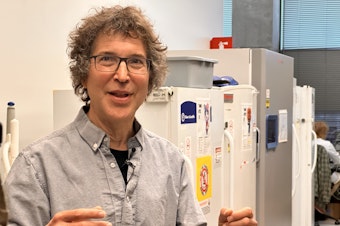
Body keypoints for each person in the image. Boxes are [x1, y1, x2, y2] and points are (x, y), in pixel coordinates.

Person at [4, 5, 257, 226]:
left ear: (150, 79)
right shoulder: (36, 167)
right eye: (106, 59)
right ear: (83, 74)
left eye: (136, 62)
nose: (123, 76)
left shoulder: (172, 163)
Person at [314, 121, 340, 185]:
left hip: (312, 174)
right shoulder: (327, 144)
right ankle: (329, 194)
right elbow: (338, 161)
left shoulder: (309, 143)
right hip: (323, 173)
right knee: (338, 179)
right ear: (324, 132)